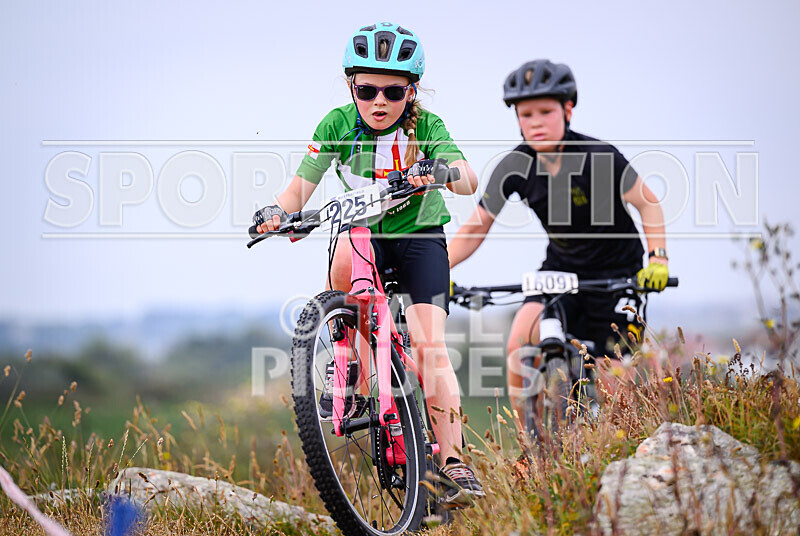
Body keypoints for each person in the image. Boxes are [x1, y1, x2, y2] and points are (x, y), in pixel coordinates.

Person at [253, 22, 484, 505]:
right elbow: (300, 189)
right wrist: (276, 213)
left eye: (394, 91)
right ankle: (352, 367)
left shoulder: (426, 126)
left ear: (411, 91)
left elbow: (468, 179)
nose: (380, 101)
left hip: (420, 238)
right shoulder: (335, 125)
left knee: (428, 344)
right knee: (344, 247)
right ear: (350, 87)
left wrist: (437, 171)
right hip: (362, 236)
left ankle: (454, 461)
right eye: (367, 89)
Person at [448, 59, 669, 420]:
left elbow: (648, 203)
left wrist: (658, 258)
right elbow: (476, 226)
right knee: (520, 340)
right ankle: (531, 450)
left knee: (616, 381)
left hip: (616, 275)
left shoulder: (599, 157)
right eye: (525, 113)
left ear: (568, 109)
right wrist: (440, 268)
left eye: (545, 111)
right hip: (561, 270)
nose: (535, 122)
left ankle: (611, 446)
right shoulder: (513, 166)